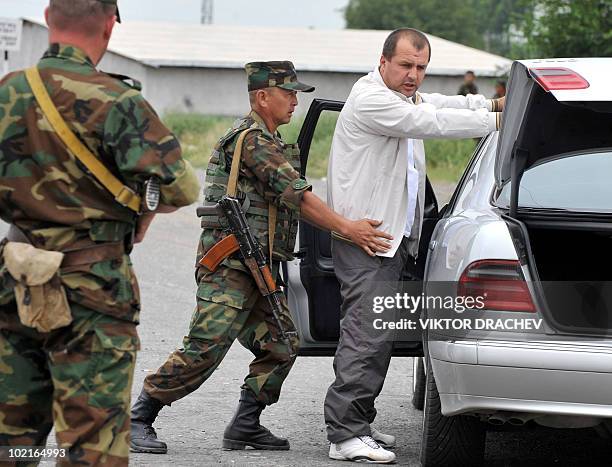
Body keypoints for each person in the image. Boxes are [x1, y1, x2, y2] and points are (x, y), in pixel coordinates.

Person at [129, 61, 392, 454]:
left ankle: (246, 424)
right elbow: (298, 196)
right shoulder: (251, 141)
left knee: (283, 343)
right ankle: (138, 417)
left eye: (296, 94)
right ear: (262, 97)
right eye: (288, 94)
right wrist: (348, 228)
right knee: (206, 346)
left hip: (258, 266)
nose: (294, 102)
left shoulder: (269, 140)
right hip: (231, 266)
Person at [0, 0, 200, 465]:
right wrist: (136, 204)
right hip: (92, 288)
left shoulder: (8, 92)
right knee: (92, 446)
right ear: (110, 26)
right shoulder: (118, 102)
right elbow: (182, 186)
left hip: (16, 281)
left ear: (48, 19)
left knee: (12, 436)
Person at [325, 28, 504, 463]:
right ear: (383, 61)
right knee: (365, 336)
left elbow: (442, 104)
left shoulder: (404, 98)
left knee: (379, 336)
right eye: (406, 65)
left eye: (421, 67)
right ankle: (345, 434)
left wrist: (491, 103)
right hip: (366, 240)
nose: (413, 76)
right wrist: (498, 121)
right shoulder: (372, 99)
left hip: (389, 240)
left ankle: (358, 423)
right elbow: (431, 122)